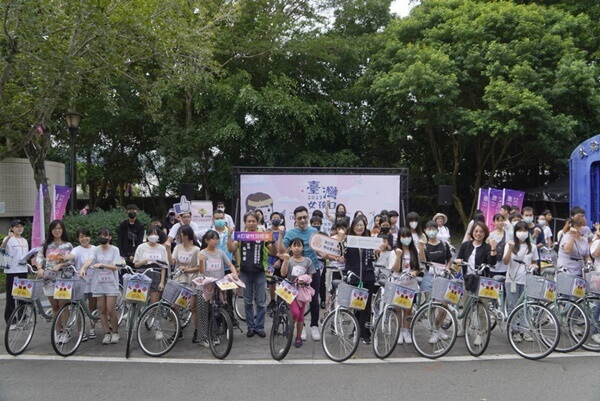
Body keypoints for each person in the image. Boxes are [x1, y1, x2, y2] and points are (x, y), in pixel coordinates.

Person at [228, 211, 277, 338]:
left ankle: (259, 327)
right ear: (245, 223)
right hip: (244, 273)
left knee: (261, 302)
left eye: (253, 221)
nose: (251, 223)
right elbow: (231, 249)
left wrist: (272, 239)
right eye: (248, 221)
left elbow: (273, 252)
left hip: (260, 273)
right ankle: (250, 327)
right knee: (247, 302)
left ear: (257, 222)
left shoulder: (263, 236)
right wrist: (229, 236)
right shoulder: (241, 236)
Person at [277, 206, 321, 341]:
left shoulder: (314, 231)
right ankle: (299, 328)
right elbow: (281, 250)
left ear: (308, 217)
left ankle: (314, 326)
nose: (303, 220)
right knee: (296, 300)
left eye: (304, 217)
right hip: (294, 273)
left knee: (313, 299)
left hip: (312, 270)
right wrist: (280, 235)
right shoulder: (290, 233)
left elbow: (320, 250)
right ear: (294, 219)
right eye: (299, 218)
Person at [78, 228, 122, 344]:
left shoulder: (115, 250)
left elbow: (116, 267)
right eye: (101, 235)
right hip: (98, 284)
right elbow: (90, 260)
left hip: (111, 284)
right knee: (102, 309)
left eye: (105, 235)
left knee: (111, 309)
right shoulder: (96, 250)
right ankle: (106, 332)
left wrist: (102, 264)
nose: (103, 237)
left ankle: (115, 332)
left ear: (110, 237)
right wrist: (83, 268)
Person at [454, 222, 498, 336]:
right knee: (466, 305)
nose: (478, 234)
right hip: (468, 279)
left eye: (481, 232)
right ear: (472, 232)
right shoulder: (465, 245)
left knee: (482, 308)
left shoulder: (487, 247)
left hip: (482, 281)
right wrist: (458, 261)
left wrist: (493, 248)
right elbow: (459, 258)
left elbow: (492, 263)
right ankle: (464, 327)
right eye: (476, 231)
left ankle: (482, 332)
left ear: (485, 233)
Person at [198, 230, 238, 347]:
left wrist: (234, 273)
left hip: (218, 286)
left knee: (216, 311)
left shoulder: (220, 252)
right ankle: (202, 338)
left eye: (216, 239)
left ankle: (214, 335)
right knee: (203, 313)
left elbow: (230, 264)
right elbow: (201, 271)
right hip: (204, 287)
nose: (215, 241)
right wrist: (201, 260)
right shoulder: (202, 253)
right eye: (212, 238)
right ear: (206, 240)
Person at [503, 221, 539, 343]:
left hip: (526, 280)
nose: (522, 233)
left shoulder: (532, 247)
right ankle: (514, 331)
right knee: (513, 305)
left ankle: (525, 329)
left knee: (525, 305)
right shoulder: (510, 245)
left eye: (524, 230)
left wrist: (534, 266)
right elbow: (505, 262)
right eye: (519, 230)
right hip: (512, 279)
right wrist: (510, 249)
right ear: (515, 232)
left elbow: (535, 261)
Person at [344, 216, 377, 345]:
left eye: (361, 225)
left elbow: (373, 258)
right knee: (356, 306)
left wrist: (376, 253)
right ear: (352, 227)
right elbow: (342, 254)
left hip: (368, 276)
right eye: (357, 225)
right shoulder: (348, 241)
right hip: (354, 276)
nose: (359, 227)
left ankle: (366, 334)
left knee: (367, 307)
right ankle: (356, 329)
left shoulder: (369, 241)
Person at [280, 238, 316, 348]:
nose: (296, 248)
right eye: (294, 245)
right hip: (290, 289)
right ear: (290, 248)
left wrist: (304, 279)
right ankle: (290, 329)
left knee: (300, 315)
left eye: (299, 245)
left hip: (302, 290)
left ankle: (298, 336)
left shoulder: (308, 261)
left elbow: (311, 275)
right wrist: (285, 261)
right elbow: (283, 273)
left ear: (303, 247)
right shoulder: (289, 260)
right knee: (295, 313)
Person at [36, 220, 73, 319]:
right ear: (51, 230)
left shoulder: (68, 245)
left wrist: (60, 265)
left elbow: (71, 261)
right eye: (54, 228)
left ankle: (65, 331)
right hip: (48, 279)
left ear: (63, 230)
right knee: (54, 306)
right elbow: (39, 258)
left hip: (63, 279)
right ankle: (58, 331)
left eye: (59, 228)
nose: (57, 230)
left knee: (63, 306)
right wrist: (39, 269)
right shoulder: (46, 244)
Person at [169, 225, 201, 342]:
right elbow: (172, 261)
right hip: (179, 280)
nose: (179, 237)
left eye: (180, 235)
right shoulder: (177, 248)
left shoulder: (196, 250)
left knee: (193, 307)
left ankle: (197, 331)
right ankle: (177, 331)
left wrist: (188, 269)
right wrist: (168, 249)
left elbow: (199, 267)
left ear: (186, 236)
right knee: (173, 307)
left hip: (191, 281)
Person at [64, 228, 97, 341]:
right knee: (78, 308)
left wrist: (83, 267)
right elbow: (71, 256)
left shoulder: (94, 249)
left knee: (93, 306)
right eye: (81, 237)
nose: (84, 239)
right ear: (78, 238)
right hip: (79, 282)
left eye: (86, 236)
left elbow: (91, 260)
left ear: (90, 237)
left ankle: (92, 328)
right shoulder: (76, 250)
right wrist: (62, 256)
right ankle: (81, 331)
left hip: (93, 282)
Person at [390, 227, 421, 344]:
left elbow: (417, 267)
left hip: (410, 285)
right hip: (398, 283)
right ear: (399, 238)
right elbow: (396, 269)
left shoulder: (415, 251)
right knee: (397, 309)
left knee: (408, 309)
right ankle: (398, 332)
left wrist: (414, 272)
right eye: (403, 236)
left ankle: (406, 330)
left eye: (408, 236)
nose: (406, 239)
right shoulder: (395, 252)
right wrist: (398, 256)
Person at [2, 219, 29, 326]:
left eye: (21, 226)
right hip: (11, 271)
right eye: (17, 226)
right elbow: (2, 249)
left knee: (22, 295)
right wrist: (8, 237)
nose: (19, 228)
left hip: (23, 270)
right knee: (11, 296)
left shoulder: (24, 240)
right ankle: (11, 320)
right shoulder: (8, 239)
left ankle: (22, 316)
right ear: (12, 228)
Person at [133, 226, 169, 305]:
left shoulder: (162, 248)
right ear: (147, 236)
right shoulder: (141, 247)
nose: (154, 236)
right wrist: (142, 262)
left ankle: (153, 316)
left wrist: (162, 282)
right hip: (142, 274)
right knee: (139, 301)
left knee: (154, 303)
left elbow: (164, 266)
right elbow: (136, 264)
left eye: (156, 234)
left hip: (156, 274)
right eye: (152, 234)